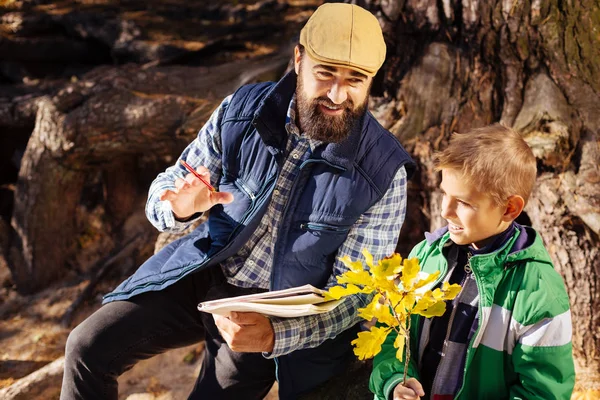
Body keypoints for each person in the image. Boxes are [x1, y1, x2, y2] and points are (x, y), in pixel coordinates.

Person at [61, 3, 416, 400]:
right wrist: (178, 207)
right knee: (86, 347)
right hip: (206, 269)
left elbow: (353, 296)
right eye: (325, 73)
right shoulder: (243, 110)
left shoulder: (384, 172)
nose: (337, 94)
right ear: (298, 60)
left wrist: (275, 335)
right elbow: (171, 184)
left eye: (355, 79)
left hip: (274, 312)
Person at [370, 124, 575, 400]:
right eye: (444, 193)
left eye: (464, 202)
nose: (445, 210)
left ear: (509, 208)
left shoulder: (537, 292)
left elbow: (542, 392)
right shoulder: (424, 256)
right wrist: (395, 381)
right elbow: (392, 334)